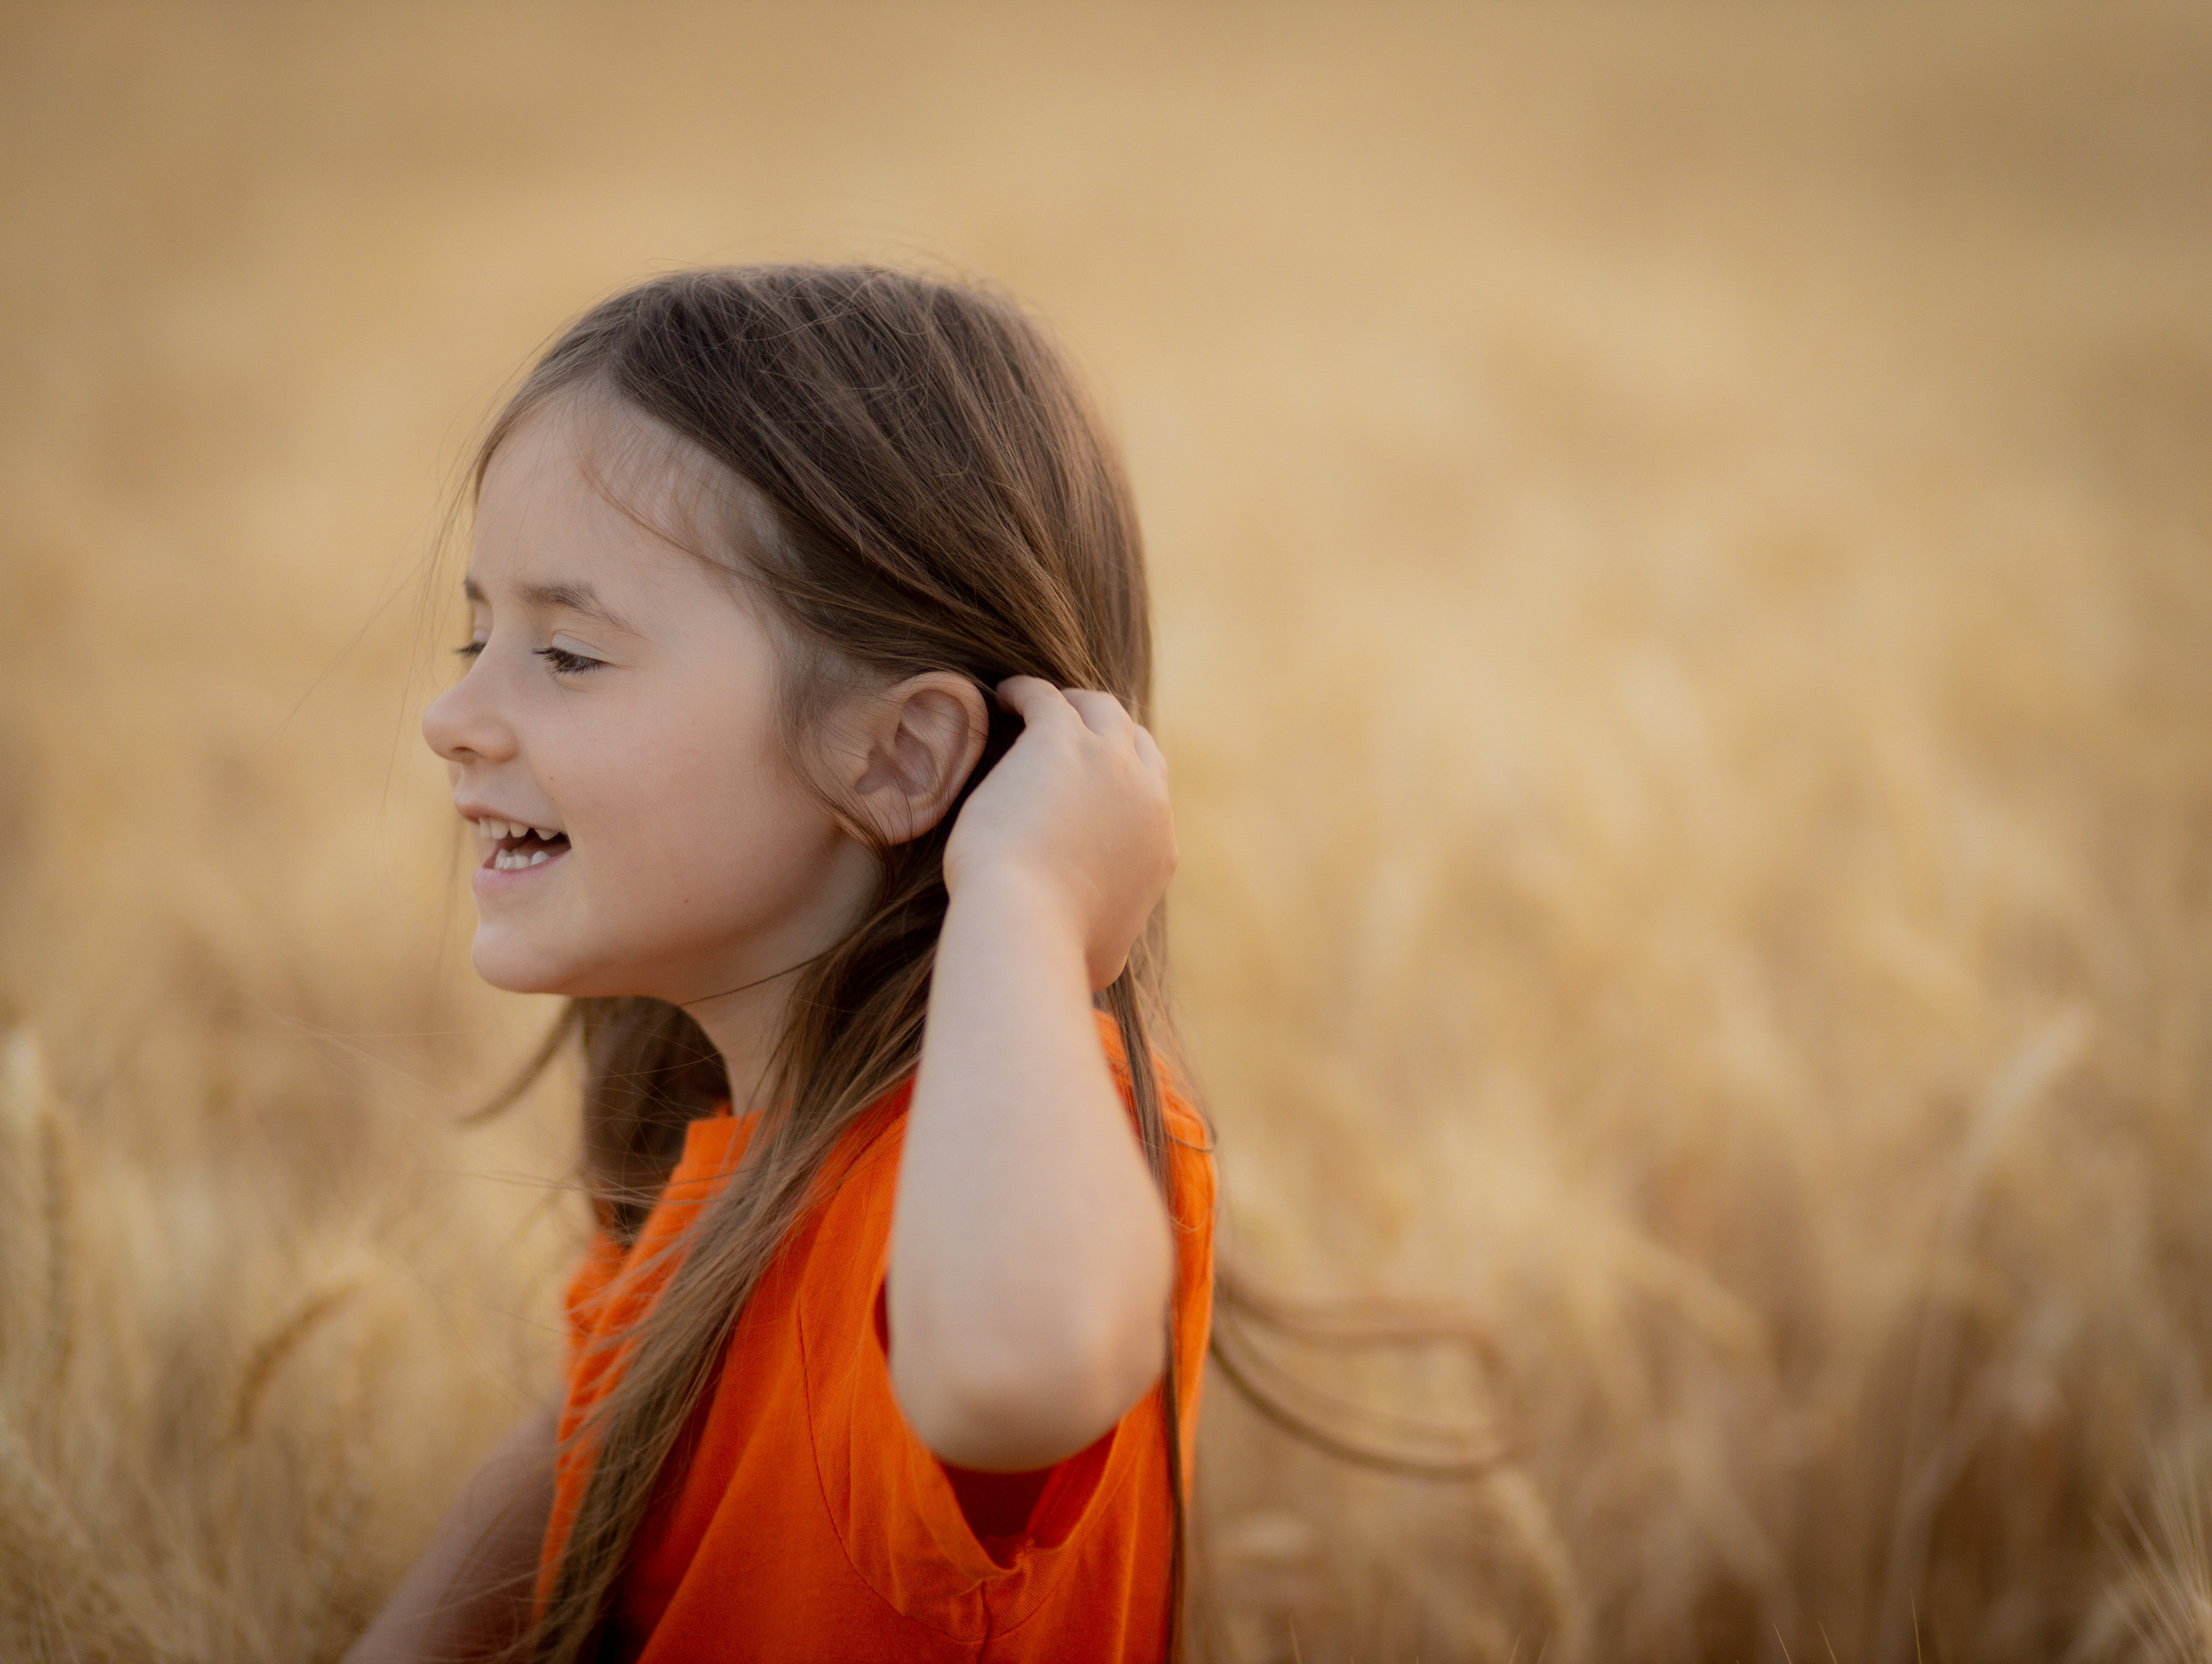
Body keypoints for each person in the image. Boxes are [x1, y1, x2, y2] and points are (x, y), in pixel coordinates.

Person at [344, 265, 1213, 1664]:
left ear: (897, 756)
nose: (452, 713)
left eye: (566, 653)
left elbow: (1016, 1365)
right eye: (475, 633)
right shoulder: (722, 1174)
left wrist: (1030, 902)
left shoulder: (1007, 1158)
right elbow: (585, 1469)